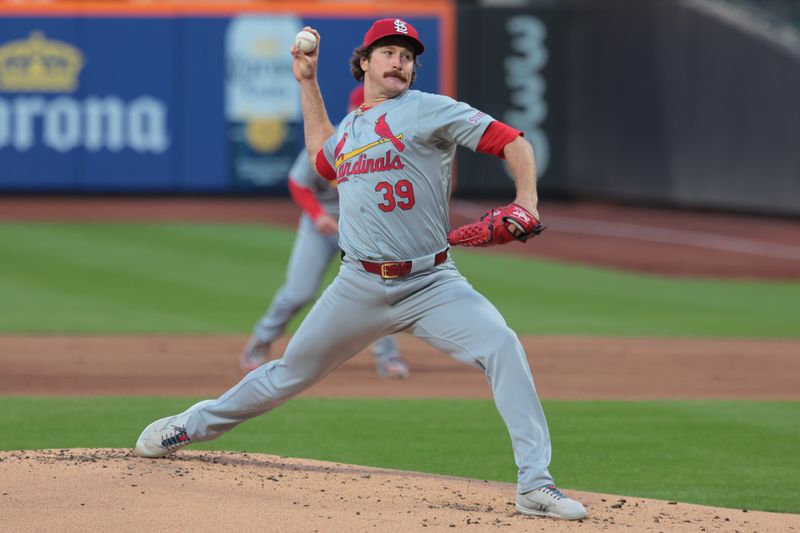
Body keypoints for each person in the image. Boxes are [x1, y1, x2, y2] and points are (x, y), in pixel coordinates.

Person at [134, 18, 588, 521]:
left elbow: (513, 142)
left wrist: (527, 201)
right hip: (359, 284)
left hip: (432, 282)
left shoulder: (429, 109)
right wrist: (306, 81)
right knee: (288, 373)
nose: (399, 60)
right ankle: (190, 425)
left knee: (502, 344)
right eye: (388, 51)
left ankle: (535, 484)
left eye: (408, 55)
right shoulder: (350, 128)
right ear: (365, 63)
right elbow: (321, 159)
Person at [239, 86, 410, 379]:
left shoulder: (386, 147)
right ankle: (262, 339)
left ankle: (388, 355)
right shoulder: (329, 141)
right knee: (298, 293)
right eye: (364, 109)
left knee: (379, 290)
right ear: (352, 110)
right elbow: (298, 183)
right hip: (320, 228)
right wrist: (317, 215)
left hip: (363, 230)